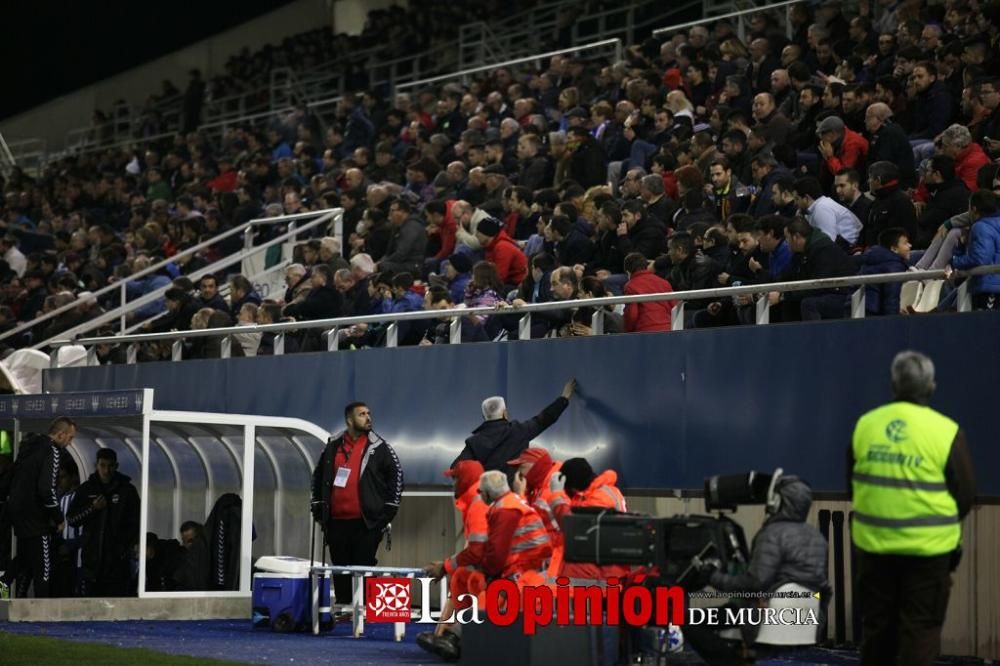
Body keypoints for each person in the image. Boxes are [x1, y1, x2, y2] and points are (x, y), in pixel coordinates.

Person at [849, 351, 975, 666]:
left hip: (875, 551)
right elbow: (966, 494)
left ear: (893, 384)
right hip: (928, 556)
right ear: (931, 387)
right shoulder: (946, 432)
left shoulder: (866, 425)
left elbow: (853, 484)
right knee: (919, 635)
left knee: (877, 633)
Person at [686, 475, 829, 666]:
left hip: (767, 617)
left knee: (691, 621)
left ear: (777, 501)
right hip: (809, 621)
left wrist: (713, 577)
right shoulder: (817, 537)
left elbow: (753, 584)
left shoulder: (771, 534)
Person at [311, 402, 403, 606]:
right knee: (340, 568)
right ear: (349, 420)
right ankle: (345, 609)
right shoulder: (333, 445)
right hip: (336, 523)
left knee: (364, 566)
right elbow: (318, 477)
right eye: (362, 414)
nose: (368, 417)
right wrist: (318, 507)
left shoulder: (379, 446)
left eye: (369, 413)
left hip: (367, 522)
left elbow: (396, 476)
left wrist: (388, 510)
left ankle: (366, 610)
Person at [417, 460, 488, 660]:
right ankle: (445, 636)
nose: (452, 484)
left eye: (455, 478)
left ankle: (453, 637)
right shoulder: (475, 502)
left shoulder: (478, 505)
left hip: (503, 574)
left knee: (473, 585)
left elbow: (477, 551)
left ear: (465, 480)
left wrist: (444, 567)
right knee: (460, 577)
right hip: (491, 568)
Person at [4, 417, 77, 597]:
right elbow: (46, 489)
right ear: (60, 435)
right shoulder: (52, 451)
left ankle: (1, 586)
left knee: (24, 559)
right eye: (70, 437)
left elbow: (11, 478)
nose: (70, 442)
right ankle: (41, 612)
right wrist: (58, 517)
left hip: (18, 513)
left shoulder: (28, 448)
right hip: (36, 517)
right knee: (43, 568)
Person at [452, 379, 576, 479]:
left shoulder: (474, 442)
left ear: (484, 417)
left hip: (487, 497)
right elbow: (544, 419)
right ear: (505, 413)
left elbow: (455, 468)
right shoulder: (519, 431)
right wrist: (564, 398)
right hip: (514, 496)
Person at [67, 448, 141, 597]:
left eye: (110, 466)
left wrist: (128, 547)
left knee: (118, 604)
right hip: (92, 560)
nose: (106, 470)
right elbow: (72, 520)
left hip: (118, 561)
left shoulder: (127, 490)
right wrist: (92, 508)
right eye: (103, 465)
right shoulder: (86, 489)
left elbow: (137, 521)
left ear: (116, 466)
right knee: (92, 606)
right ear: (96, 465)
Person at [949, 190, 1000, 310]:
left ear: (974, 208)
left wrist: (955, 261)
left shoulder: (980, 227)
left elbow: (981, 258)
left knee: (986, 326)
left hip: (990, 288)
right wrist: (961, 245)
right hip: (993, 286)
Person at [622, 251, 675, 332]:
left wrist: (627, 331)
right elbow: (674, 307)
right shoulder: (664, 282)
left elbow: (632, 315)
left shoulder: (630, 286)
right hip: (668, 329)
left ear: (628, 272)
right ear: (646, 266)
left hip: (645, 332)